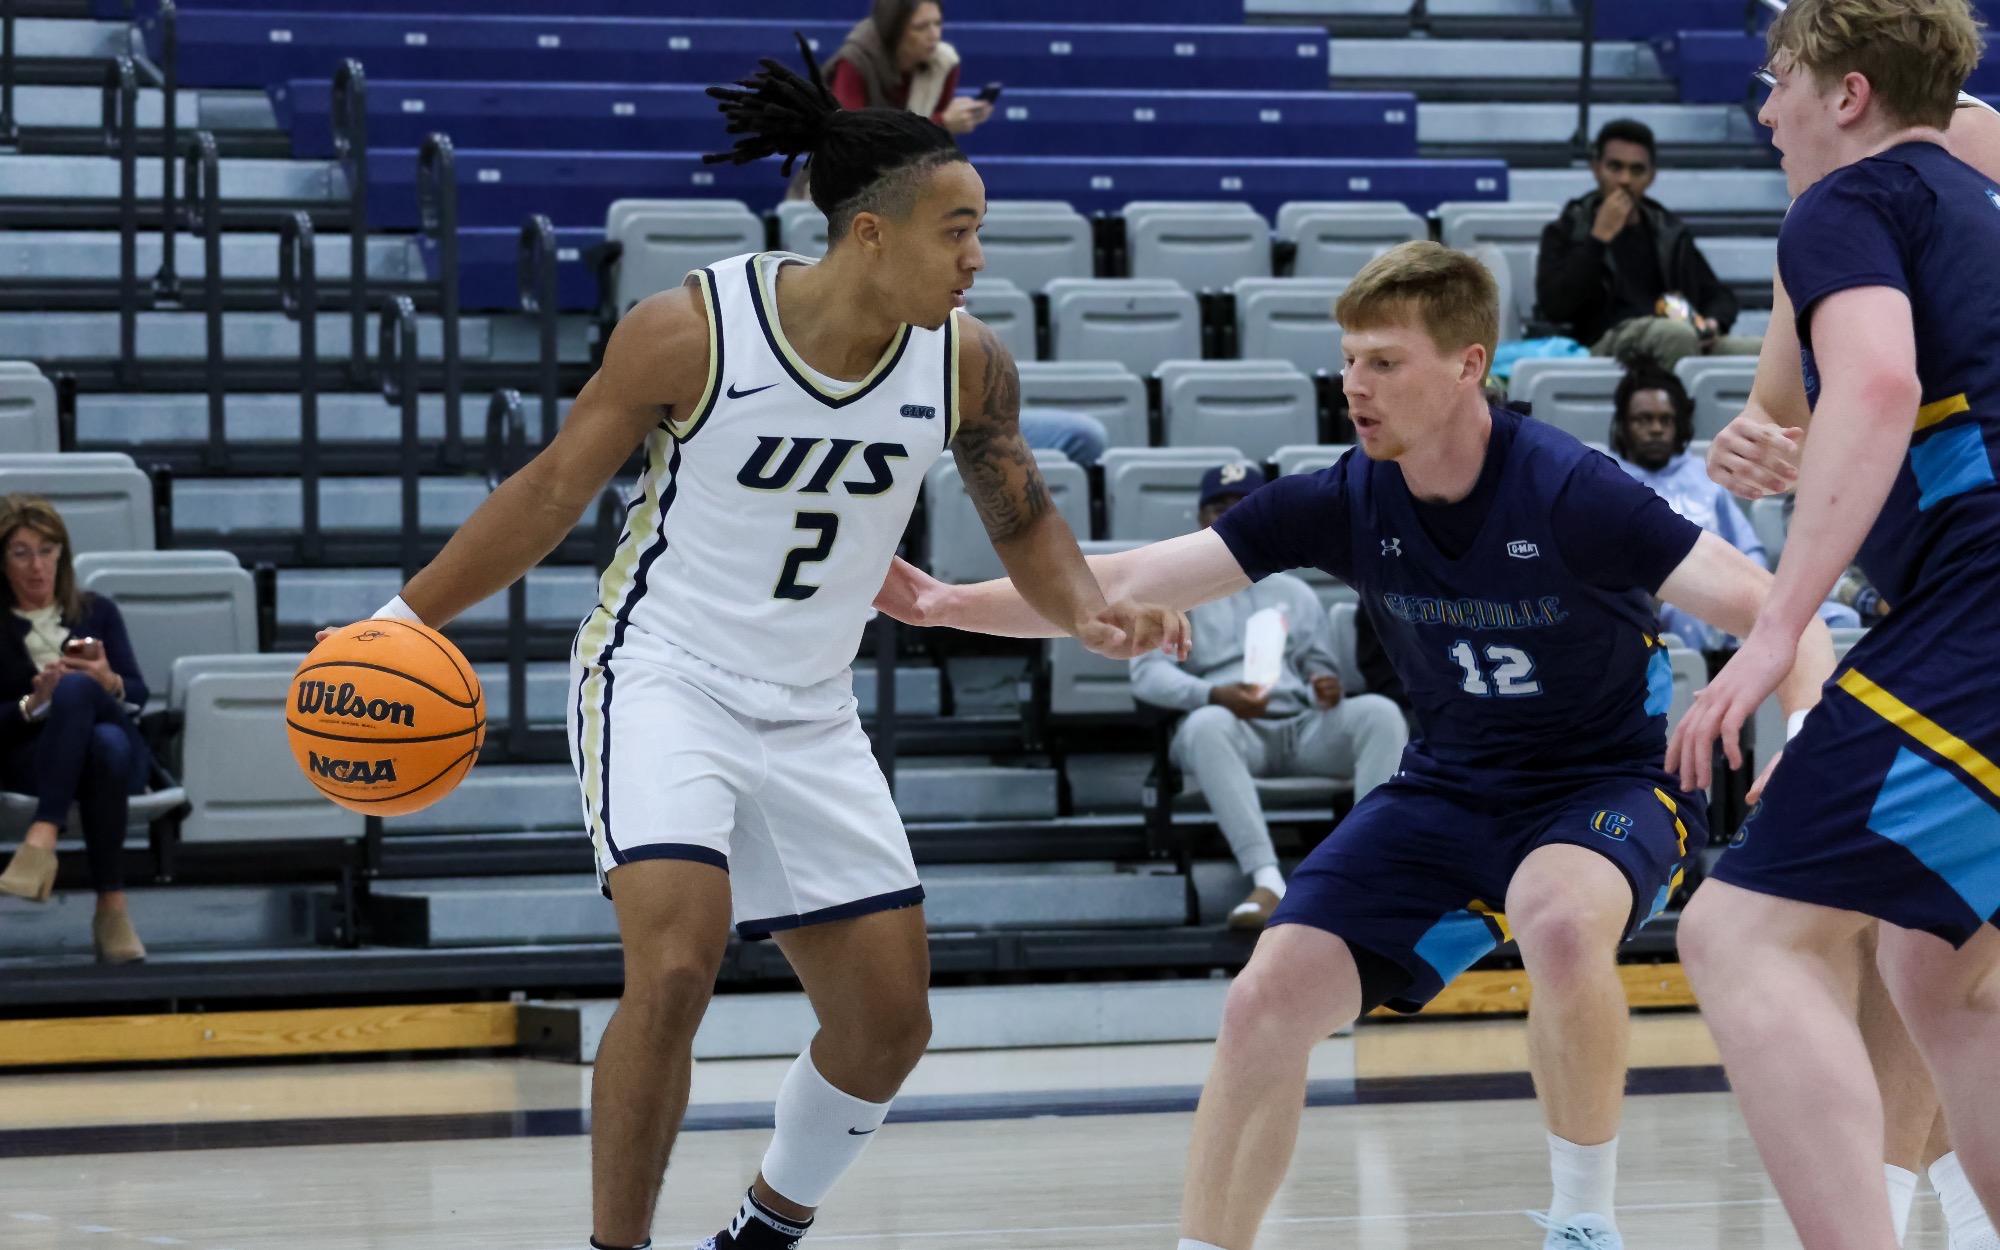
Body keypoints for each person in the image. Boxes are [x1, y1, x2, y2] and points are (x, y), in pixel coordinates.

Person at [318, 39, 1184, 1250]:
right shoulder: (690, 330)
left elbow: (1024, 519)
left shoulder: (968, 364)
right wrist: (404, 616)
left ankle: (761, 1231)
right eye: (957, 229)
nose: (978, 257)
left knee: (889, 1027)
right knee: (674, 966)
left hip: (812, 705)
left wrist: (1088, 609)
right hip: (660, 672)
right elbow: (555, 487)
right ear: (869, 235)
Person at [875, 240, 1835, 1249]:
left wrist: (1805, 734)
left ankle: (1582, 1223)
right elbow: (1133, 575)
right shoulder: (1345, 495)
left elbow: (1783, 610)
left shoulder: (1569, 491)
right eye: (1346, 360)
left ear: (1467, 364)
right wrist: (943, 602)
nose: (1352, 385)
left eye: (1382, 361)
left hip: (1603, 787)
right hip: (1446, 790)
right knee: (1261, 1003)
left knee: (1554, 922)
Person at [1678, 3, 2000, 1243]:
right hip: (1960, 587)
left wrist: (1777, 629)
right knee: (1938, 965)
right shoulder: (1967, 208)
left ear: (1847, 92)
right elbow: (1873, 402)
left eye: (1778, 83)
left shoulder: (1845, 202)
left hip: (1972, 593)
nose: (1764, 112)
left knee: (1735, 929)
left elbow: (1871, 380)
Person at [1131, 461, 1408, 931]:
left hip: (1300, 725)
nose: (1228, 513)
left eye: (1242, 505)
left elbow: (1319, 663)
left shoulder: (1295, 591)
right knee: (1205, 726)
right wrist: (1213, 693)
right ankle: (1266, 880)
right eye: (1217, 506)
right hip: (1231, 727)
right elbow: (1147, 678)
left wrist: (1326, 683)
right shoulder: (1171, 593)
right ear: (1200, 519)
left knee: (1379, 714)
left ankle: (1363, 874)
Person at [0, 495, 150, 964]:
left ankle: (44, 832)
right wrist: (34, 702)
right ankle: (112, 907)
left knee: (82, 692)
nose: (37, 566)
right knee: (100, 742)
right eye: (21, 552)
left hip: (126, 751)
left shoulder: (96, 611)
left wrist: (108, 680)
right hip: (31, 759)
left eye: (48, 550)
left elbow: (140, 696)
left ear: (62, 554)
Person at [1536, 118, 1761, 369]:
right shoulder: (1567, 230)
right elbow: (1555, 306)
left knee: (1762, 352)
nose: (1625, 179)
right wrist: (1597, 239)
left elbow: (1718, 294)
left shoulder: (1666, 230)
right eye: (1615, 167)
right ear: (1596, 168)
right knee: (1675, 336)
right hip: (1602, 342)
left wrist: (1713, 322)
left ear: (1651, 176)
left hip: (1677, 331)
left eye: (1636, 170)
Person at [1608, 363, 1766, 650]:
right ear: (1622, 423)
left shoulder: (1706, 475)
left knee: (1835, 619)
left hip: (1726, 596)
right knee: (1687, 611)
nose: (1656, 429)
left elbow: (1749, 549)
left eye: (1665, 420)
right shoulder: (1604, 477)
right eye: (1643, 419)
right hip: (1648, 607)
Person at [828, 0, 991, 137]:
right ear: (895, 30)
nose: (935, 35)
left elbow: (936, 145)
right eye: (921, 27)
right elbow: (849, 137)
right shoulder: (856, 62)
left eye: (938, 23)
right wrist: (943, 122)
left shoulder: (943, 63)